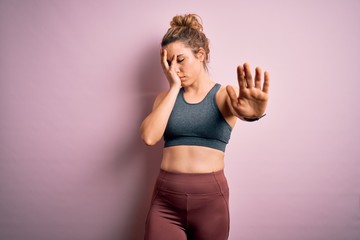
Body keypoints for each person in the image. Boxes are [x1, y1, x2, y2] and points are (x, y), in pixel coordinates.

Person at [140, 13, 269, 240]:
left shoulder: (222, 96)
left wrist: (255, 114)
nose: (175, 69)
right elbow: (149, 137)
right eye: (169, 63)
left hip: (210, 205)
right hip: (166, 203)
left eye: (180, 60)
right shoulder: (164, 100)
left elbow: (243, 111)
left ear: (200, 54)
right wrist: (173, 88)